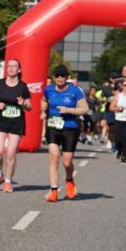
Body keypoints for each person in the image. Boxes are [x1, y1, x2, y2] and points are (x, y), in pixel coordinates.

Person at [41, 65, 88, 202]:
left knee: (67, 162)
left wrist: (69, 111)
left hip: (71, 127)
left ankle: (69, 181)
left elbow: (85, 109)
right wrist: (43, 111)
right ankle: (54, 190)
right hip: (53, 126)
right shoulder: (48, 89)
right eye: (57, 76)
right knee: (54, 157)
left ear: (67, 77)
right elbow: (43, 101)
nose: (60, 78)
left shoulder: (75, 91)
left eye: (62, 76)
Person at [0, 58, 31, 193]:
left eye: (14, 66)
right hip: (0, 119)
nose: (11, 68)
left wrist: (23, 103)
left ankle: (8, 181)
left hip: (16, 121)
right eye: (9, 66)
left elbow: (29, 107)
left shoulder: (23, 87)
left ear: (19, 70)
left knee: (11, 153)